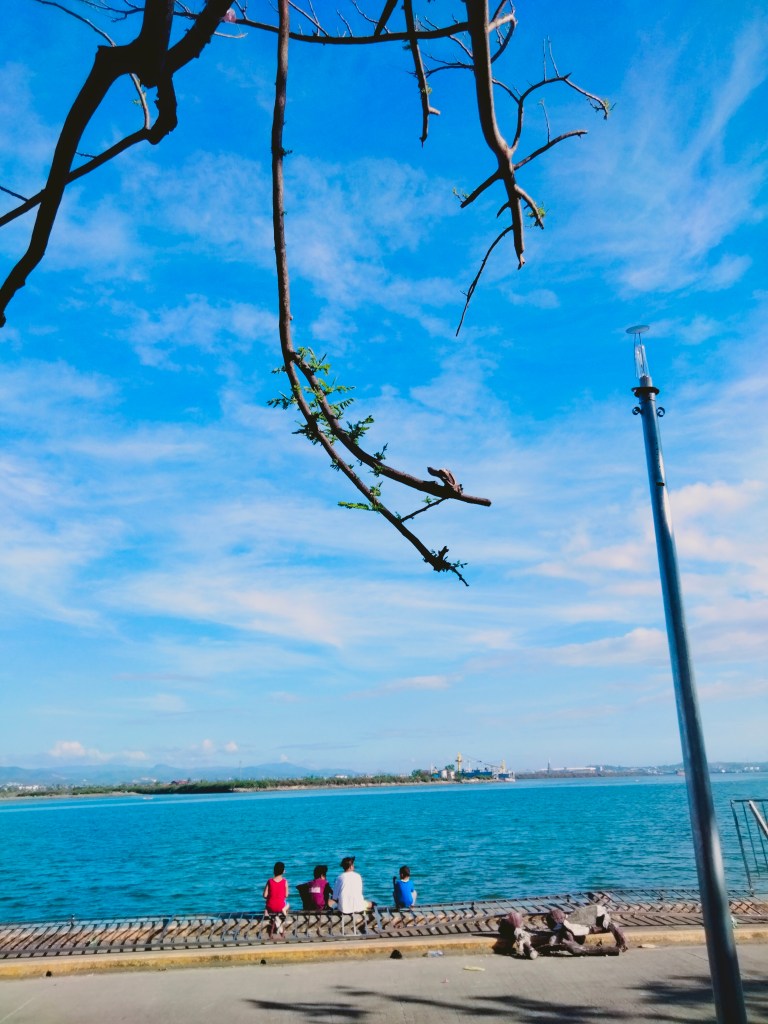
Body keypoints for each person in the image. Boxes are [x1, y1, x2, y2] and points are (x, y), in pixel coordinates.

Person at [263, 860, 290, 938]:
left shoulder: (269, 881)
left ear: (274, 870)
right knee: (288, 904)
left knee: (268, 903)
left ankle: (267, 912)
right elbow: (286, 895)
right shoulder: (285, 881)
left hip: (271, 907)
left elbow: (264, 895)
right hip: (280, 907)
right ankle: (284, 911)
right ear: (283, 871)